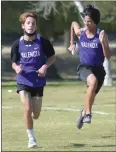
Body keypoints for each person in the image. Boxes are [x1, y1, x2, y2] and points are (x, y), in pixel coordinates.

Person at [11, 12, 56, 148]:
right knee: (27, 108)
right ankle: (31, 139)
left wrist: (44, 66)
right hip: (23, 79)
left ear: (36, 26)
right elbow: (13, 62)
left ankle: (32, 122)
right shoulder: (17, 44)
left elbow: (52, 57)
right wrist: (16, 68)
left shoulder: (43, 41)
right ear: (23, 26)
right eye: (28, 23)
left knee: (35, 114)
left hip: (38, 81)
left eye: (33, 23)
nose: (31, 25)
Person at [69, 5, 111, 129]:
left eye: (89, 22)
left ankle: (83, 112)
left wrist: (103, 42)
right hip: (84, 67)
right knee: (92, 82)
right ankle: (88, 114)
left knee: (91, 94)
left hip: (99, 70)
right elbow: (73, 24)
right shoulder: (81, 32)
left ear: (95, 22)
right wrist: (72, 43)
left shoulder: (101, 35)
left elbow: (108, 56)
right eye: (85, 21)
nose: (86, 24)